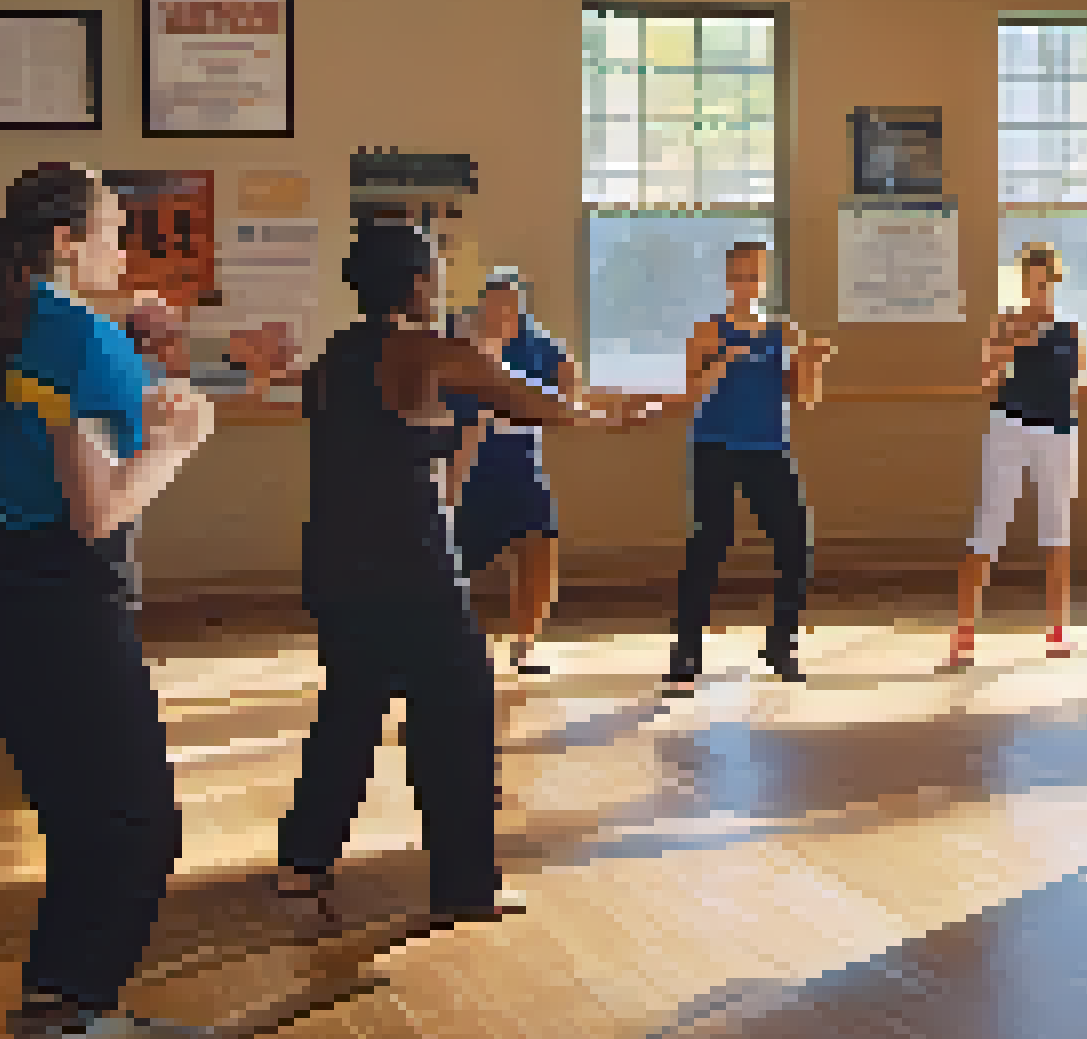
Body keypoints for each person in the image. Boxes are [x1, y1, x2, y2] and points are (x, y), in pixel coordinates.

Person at [274, 222, 667, 925]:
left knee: (350, 709)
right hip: (409, 566)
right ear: (419, 281)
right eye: (435, 275)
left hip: (335, 561)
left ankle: (303, 863)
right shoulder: (422, 347)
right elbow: (524, 395)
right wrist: (607, 420)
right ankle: (464, 885)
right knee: (455, 721)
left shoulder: (337, 355)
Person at [0, 164, 221, 1039]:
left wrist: (139, 376)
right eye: (114, 231)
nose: (126, 249)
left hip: (2, 601)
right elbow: (99, 509)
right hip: (65, 607)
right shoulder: (86, 335)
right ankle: (78, 1015)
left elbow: (60, 433)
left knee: (82, 824)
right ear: (68, 243)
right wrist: (183, 442)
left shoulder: (19, 319)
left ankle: (57, 1009)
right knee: (142, 826)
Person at [665, 242, 837, 696]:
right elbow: (690, 394)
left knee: (796, 542)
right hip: (715, 447)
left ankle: (781, 645)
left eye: (755, 276)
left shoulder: (783, 333)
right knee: (709, 545)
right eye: (739, 276)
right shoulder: (708, 331)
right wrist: (722, 361)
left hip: (767, 448)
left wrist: (811, 361)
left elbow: (806, 398)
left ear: (765, 281)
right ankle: (685, 653)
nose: (747, 285)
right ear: (728, 280)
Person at [949, 242, 1083, 671]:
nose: (1039, 288)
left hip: (1059, 431)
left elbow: (1074, 377)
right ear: (1023, 280)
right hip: (1010, 427)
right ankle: (965, 630)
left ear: (1055, 282)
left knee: (1057, 527)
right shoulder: (1005, 323)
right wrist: (1015, 345)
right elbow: (985, 378)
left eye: (1046, 281)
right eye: (1032, 279)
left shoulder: (1070, 328)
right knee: (989, 522)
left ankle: (1058, 629)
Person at [444, 274, 582, 675]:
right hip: (467, 464)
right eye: (495, 306)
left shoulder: (535, 343)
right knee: (452, 559)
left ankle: (525, 645)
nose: (502, 314)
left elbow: (567, 376)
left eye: (511, 307)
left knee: (540, 544)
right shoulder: (458, 337)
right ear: (483, 306)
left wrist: (564, 403)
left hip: (521, 464)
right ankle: (443, 646)